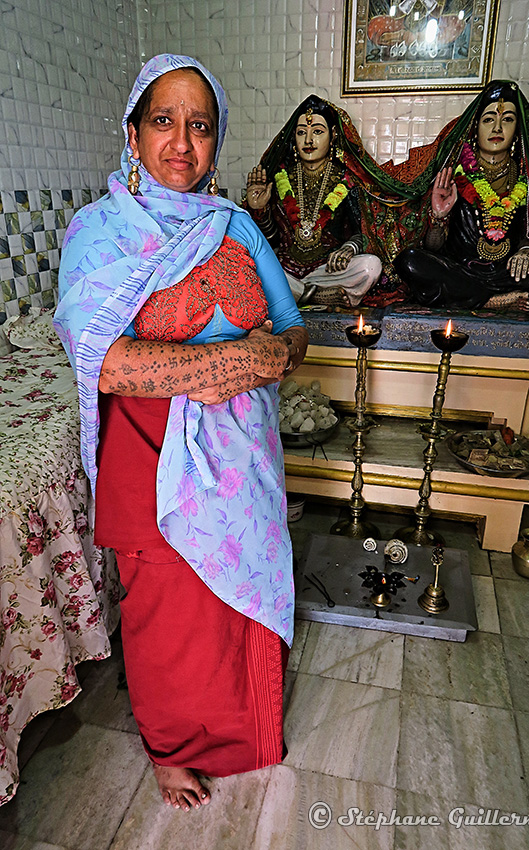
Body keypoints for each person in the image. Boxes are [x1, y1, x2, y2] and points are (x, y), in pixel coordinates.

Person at [53, 54, 308, 813]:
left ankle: (246, 734)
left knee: (238, 603)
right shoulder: (97, 232)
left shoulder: (234, 227)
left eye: (201, 127)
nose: (182, 143)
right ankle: (170, 747)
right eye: (163, 121)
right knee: (165, 612)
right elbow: (100, 360)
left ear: (216, 142)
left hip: (242, 453)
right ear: (133, 133)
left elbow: (293, 329)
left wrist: (275, 354)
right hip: (148, 447)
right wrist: (227, 359)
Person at [393, 80, 529, 311]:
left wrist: (528, 249)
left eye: (507, 120)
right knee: (410, 261)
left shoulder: (526, 176)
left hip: (509, 273)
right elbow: (434, 248)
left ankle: (475, 298)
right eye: (488, 120)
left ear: (517, 129)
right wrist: (439, 216)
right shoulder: (453, 173)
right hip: (462, 270)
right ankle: (493, 301)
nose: (497, 128)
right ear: (475, 127)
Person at [245, 95, 383, 308]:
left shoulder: (346, 180)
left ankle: (295, 294)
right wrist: (259, 210)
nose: (308, 140)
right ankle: (316, 296)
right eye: (302, 132)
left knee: (370, 266)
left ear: (334, 135)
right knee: (249, 266)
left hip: (327, 270)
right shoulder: (279, 177)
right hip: (285, 268)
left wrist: (349, 248)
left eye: (317, 131)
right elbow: (271, 240)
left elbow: (362, 230)